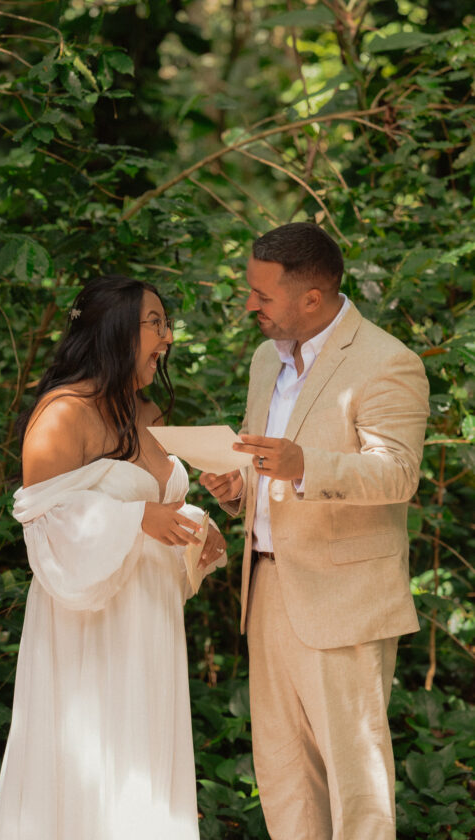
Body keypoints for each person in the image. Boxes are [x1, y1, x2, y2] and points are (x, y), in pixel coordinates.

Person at [200, 222, 429, 840]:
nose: (249, 304)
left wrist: (306, 465)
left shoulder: (387, 362)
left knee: (356, 783)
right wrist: (237, 488)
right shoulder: (261, 360)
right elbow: (264, 469)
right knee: (281, 773)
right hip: (267, 587)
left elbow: (399, 474)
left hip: (345, 600)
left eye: (262, 295)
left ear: (312, 297)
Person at [0, 274, 226, 840]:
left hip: (151, 622)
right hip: (87, 632)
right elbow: (45, 527)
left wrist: (198, 526)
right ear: (115, 329)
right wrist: (136, 518)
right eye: (155, 322)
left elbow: (163, 508)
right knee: (90, 768)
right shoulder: (62, 414)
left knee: (143, 769)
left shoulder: (148, 415)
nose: (167, 337)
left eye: (166, 323)